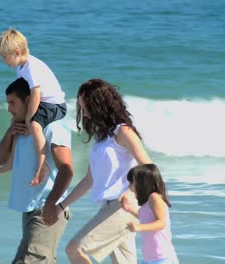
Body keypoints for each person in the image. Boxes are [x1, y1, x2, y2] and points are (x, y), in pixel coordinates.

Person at [56, 78, 153, 264]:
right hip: (109, 206)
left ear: (99, 105)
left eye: (86, 106)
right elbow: (88, 180)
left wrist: (129, 191)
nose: (83, 111)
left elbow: (148, 167)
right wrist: (61, 206)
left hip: (123, 205)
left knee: (74, 248)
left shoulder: (122, 132)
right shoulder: (102, 139)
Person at [0, 77, 74, 263]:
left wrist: (52, 203)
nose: (9, 109)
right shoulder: (22, 130)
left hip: (47, 208)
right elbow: (0, 160)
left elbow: (67, 170)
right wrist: (9, 133)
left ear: (29, 100)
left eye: (12, 103)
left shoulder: (53, 127)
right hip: (30, 210)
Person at [0, 27, 67, 186]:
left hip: (54, 105)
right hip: (42, 103)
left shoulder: (31, 67)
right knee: (17, 125)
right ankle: (11, 161)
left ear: (17, 52)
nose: (4, 60)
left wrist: (29, 117)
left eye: (5, 56)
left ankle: (42, 166)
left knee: (34, 126)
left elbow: (36, 95)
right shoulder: (21, 68)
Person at [122, 164, 179, 264]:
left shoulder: (155, 198)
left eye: (132, 182)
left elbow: (161, 223)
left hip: (162, 257)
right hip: (150, 258)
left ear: (143, 183)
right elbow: (145, 218)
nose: (129, 186)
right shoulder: (146, 203)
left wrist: (139, 227)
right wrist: (130, 209)